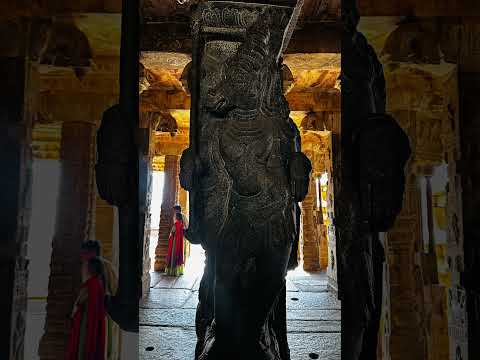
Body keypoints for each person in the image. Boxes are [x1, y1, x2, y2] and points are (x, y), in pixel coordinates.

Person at [80, 240, 119, 360]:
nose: (83, 256)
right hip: (103, 314)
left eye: (85, 253)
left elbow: (114, 290)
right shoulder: (108, 266)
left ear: (92, 253)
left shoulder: (100, 268)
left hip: (100, 314)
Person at [67, 257, 107, 360]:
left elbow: (79, 309)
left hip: (85, 330)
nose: (82, 269)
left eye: (84, 267)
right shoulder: (98, 283)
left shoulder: (90, 286)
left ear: (90, 269)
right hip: (92, 327)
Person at [165, 212, 185, 276]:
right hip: (180, 243)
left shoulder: (175, 225)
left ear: (176, 217)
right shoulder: (181, 224)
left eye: (174, 216)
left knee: (173, 255)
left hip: (174, 243)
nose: (173, 217)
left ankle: (173, 272)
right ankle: (179, 271)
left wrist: (170, 235)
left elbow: (171, 234)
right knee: (178, 255)